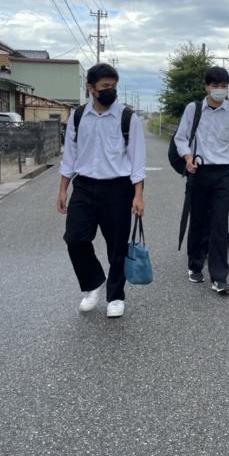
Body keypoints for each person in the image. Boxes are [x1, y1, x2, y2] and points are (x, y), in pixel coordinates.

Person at [58, 64, 146, 318]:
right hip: (84, 186)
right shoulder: (78, 116)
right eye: (105, 86)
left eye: (114, 86)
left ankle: (116, 296)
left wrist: (138, 195)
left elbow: (137, 160)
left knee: (117, 246)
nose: (111, 91)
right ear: (90, 88)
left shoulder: (127, 118)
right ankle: (93, 282)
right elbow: (70, 157)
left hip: (117, 188)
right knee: (75, 239)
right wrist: (63, 189)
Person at [175, 66, 229, 294]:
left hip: (225, 173)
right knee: (198, 219)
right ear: (206, 87)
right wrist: (188, 157)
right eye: (215, 85)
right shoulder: (194, 109)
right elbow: (181, 137)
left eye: (224, 86)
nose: (219, 90)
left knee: (219, 222)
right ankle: (195, 264)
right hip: (199, 170)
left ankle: (219, 276)